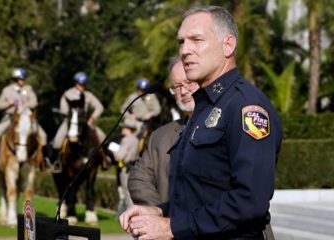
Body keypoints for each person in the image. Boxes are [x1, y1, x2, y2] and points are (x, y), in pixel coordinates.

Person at [119, 5, 282, 240]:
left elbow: (249, 202)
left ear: (228, 45)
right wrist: (158, 212)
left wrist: (170, 228)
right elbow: (200, 197)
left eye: (196, 40)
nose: (185, 50)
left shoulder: (246, 107)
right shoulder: (204, 108)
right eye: (181, 42)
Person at [128, 57, 199, 205]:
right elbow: (139, 178)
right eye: (177, 86)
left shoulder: (229, 124)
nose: (183, 91)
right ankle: (116, 158)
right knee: (127, 141)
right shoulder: (159, 136)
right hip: (135, 124)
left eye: (189, 83)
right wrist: (160, 212)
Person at [0, 68, 48, 167]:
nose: (22, 81)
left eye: (23, 79)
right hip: (11, 117)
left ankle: (45, 159)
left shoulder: (28, 89)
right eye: (20, 79)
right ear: (15, 80)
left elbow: (34, 102)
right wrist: (9, 103)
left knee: (43, 135)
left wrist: (25, 105)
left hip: (27, 117)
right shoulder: (7, 90)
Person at [51, 71, 104, 168]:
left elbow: (99, 107)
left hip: (85, 122)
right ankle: (56, 162)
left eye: (83, 84)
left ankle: (104, 160)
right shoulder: (68, 94)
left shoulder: (88, 95)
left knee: (102, 136)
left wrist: (92, 118)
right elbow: (63, 108)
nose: (82, 86)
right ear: (76, 83)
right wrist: (72, 117)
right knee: (58, 140)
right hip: (70, 122)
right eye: (80, 84)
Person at [108, 118, 140, 215]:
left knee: (127, 194)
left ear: (128, 128)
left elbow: (119, 157)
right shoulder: (136, 139)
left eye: (124, 127)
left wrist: (114, 150)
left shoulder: (126, 140)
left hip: (126, 169)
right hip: (135, 168)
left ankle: (131, 218)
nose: (122, 129)